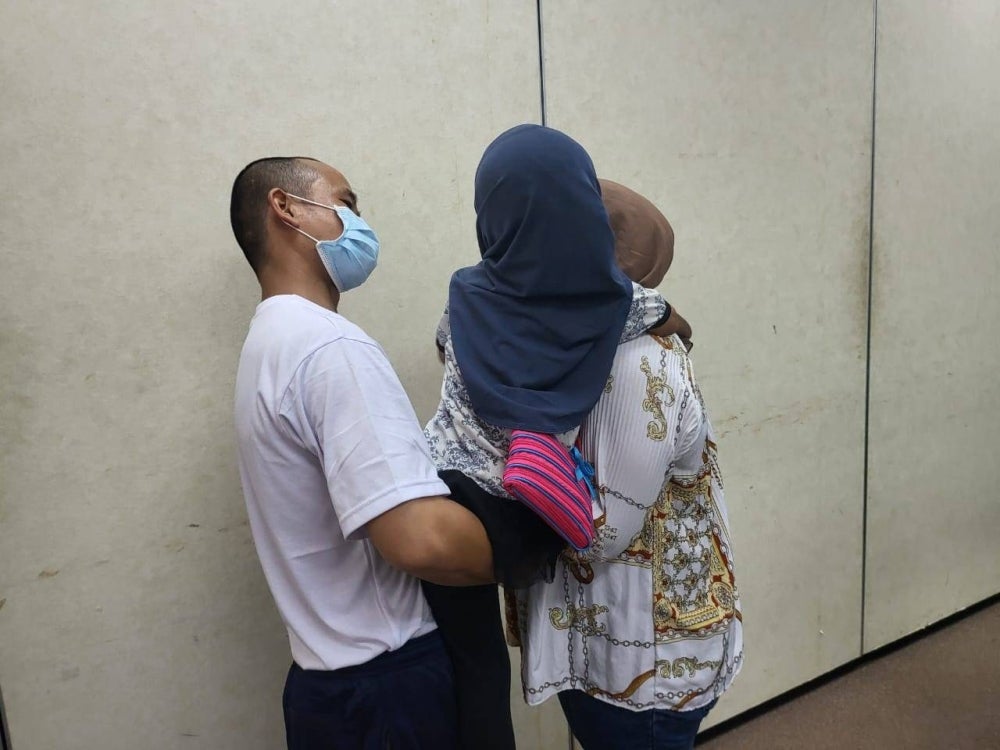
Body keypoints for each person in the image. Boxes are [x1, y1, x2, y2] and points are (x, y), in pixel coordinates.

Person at [422, 126, 692, 749]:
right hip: (528, 516)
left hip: (442, 498)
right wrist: (676, 317)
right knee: (484, 673)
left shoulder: (467, 292)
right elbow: (656, 311)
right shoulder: (612, 302)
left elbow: (442, 345)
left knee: (470, 666)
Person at [229, 156, 495, 750]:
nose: (359, 222)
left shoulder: (267, 343)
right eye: (346, 203)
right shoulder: (330, 348)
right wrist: (535, 545)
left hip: (326, 688)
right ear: (286, 207)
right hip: (388, 691)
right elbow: (419, 539)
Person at [508, 180, 744, 750]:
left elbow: (602, 532)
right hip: (606, 637)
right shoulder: (570, 348)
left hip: (639, 657)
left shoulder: (637, 359)